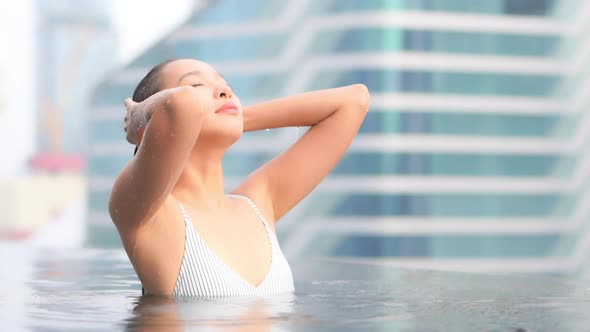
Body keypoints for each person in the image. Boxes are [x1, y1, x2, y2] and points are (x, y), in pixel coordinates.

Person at [109, 58, 370, 297]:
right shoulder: (146, 215)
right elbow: (181, 105)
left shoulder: (259, 202)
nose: (224, 92)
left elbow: (354, 101)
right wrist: (140, 116)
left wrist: (233, 116)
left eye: (225, 86)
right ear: (146, 128)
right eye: (197, 84)